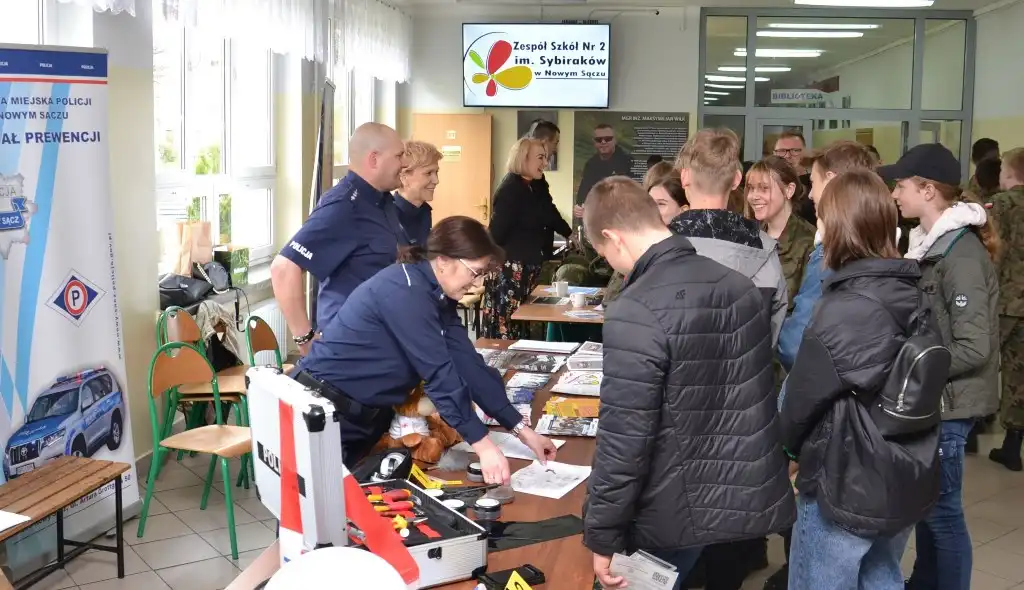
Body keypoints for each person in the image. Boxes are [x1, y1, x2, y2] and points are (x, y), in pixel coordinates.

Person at [582, 177, 795, 590]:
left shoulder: (634, 307)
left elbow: (625, 438)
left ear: (613, 237)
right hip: (736, 496)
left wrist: (603, 534)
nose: (609, 263)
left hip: (669, 506)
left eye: (602, 252)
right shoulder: (739, 288)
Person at [292, 216, 558, 475]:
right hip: (322, 413)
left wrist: (522, 431)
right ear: (443, 261)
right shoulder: (405, 292)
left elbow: (468, 365)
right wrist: (483, 445)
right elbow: (439, 374)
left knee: (351, 511)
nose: (477, 283)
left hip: (360, 418)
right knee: (313, 515)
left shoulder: (437, 295)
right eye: (475, 272)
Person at [780, 169, 939, 590]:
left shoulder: (846, 306)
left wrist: (787, 449)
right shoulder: (914, 289)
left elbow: (801, 401)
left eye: (822, 219)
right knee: (881, 574)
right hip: (905, 468)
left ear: (839, 227)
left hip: (844, 478)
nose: (818, 229)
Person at [669, 128, 787, 590]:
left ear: (683, 178)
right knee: (729, 536)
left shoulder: (659, 248)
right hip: (742, 413)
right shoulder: (765, 253)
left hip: (675, 416)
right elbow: (773, 335)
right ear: (737, 179)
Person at [881, 144, 1001, 590]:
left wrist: (909, 368)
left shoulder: (960, 256)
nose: (894, 194)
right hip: (936, 403)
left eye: (901, 185)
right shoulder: (929, 245)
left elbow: (974, 346)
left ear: (928, 190)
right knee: (929, 512)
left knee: (943, 516)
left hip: (951, 407)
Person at [766, 140, 877, 590]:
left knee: (818, 565)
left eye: (812, 184)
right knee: (876, 566)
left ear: (833, 186)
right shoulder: (898, 266)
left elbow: (800, 346)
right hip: (877, 448)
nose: (810, 196)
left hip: (829, 437)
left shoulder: (827, 255)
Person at [271, 122, 405, 354]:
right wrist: (306, 340)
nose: (404, 163)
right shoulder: (344, 206)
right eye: (399, 156)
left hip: (381, 337)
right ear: (374, 159)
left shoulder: (383, 203)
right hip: (351, 345)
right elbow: (283, 268)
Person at [482, 138, 572, 339]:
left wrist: (570, 233)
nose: (545, 163)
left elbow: (549, 212)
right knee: (507, 324)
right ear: (524, 158)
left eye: (546, 158)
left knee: (526, 321)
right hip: (509, 269)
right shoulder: (510, 189)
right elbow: (496, 233)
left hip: (529, 266)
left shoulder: (537, 184)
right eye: (540, 157)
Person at [988, 147, 1024, 471]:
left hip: (1005, 300)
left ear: (1010, 174)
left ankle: (971, 429)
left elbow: (993, 251)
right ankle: (1013, 441)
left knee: (982, 363)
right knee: (1019, 372)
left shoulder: (1002, 203)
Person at [745, 156, 816, 312]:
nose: (753, 196)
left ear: (789, 190)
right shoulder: (748, 237)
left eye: (764, 188)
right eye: (751, 188)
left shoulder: (809, 242)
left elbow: (807, 308)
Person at [574, 123, 632, 220]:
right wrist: (579, 208)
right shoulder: (591, 164)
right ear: (594, 142)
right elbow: (583, 192)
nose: (603, 142)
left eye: (608, 138)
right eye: (599, 139)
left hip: (622, 219)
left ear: (615, 140)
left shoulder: (628, 162)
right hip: (597, 219)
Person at [525, 120, 564, 260]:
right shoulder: (519, 182)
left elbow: (547, 207)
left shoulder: (537, 177)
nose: (556, 148)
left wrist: (568, 233)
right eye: (556, 142)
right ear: (544, 141)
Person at [394, 140, 442, 246]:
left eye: (436, 172)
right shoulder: (389, 218)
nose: (436, 180)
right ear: (403, 177)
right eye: (428, 173)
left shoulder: (423, 210)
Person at [773, 131, 816, 226]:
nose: (788, 156)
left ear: (804, 152)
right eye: (781, 151)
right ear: (774, 154)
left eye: (795, 150)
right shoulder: (768, 183)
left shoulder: (815, 182)